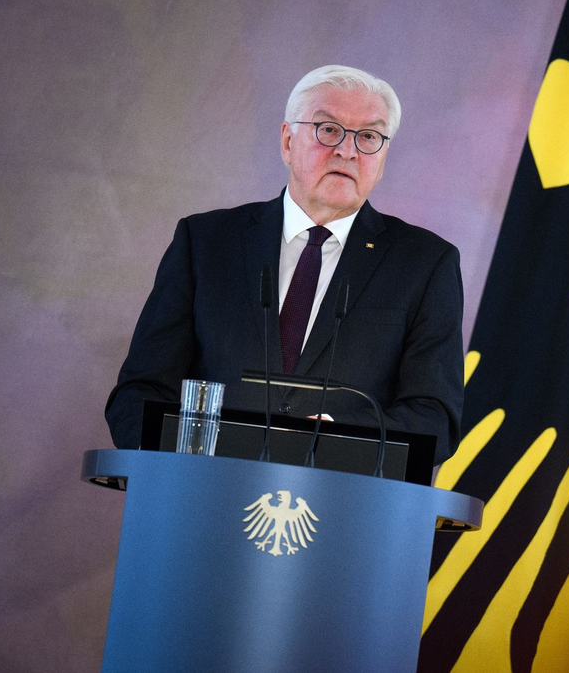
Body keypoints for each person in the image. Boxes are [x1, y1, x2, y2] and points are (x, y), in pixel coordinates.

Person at [105, 65, 463, 464]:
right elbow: (140, 391)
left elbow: (434, 419)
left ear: (383, 156)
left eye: (368, 137)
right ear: (287, 141)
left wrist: (339, 440)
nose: (348, 150)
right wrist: (171, 465)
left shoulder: (425, 263)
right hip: (200, 498)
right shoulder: (206, 242)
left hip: (343, 508)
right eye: (328, 130)